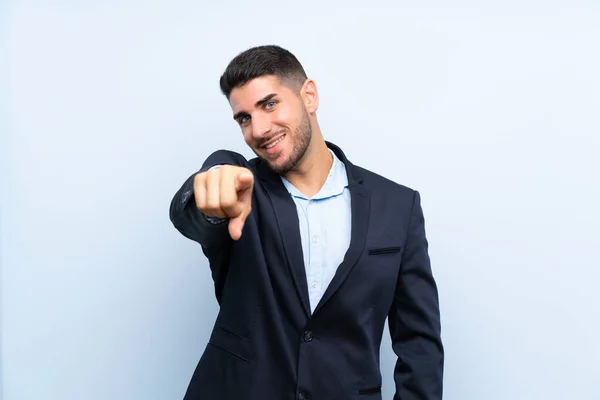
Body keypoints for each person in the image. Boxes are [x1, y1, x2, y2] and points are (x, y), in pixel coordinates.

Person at [169, 45, 444, 400]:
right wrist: (213, 181)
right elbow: (194, 214)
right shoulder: (239, 191)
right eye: (244, 118)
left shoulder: (397, 205)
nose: (259, 129)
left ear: (309, 96)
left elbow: (419, 343)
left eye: (269, 104)